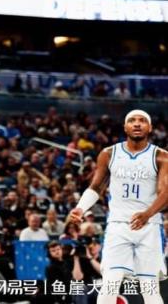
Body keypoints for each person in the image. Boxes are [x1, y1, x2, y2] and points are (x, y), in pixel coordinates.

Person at [68, 109, 168, 304]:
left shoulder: (161, 156)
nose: (137, 123)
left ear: (150, 128)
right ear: (125, 127)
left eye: (142, 121)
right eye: (132, 120)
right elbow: (96, 187)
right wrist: (81, 207)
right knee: (110, 284)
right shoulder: (109, 154)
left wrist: (147, 214)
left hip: (150, 227)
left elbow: (166, 192)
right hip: (118, 225)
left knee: (149, 287)